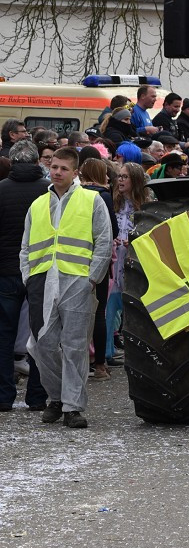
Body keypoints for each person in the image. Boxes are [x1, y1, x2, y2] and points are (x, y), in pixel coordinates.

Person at [20, 146, 113, 428]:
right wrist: (27, 275)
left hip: (78, 281)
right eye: (54, 166)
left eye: (63, 168)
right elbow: (26, 246)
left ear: (75, 172)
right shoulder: (37, 205)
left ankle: (72, 407)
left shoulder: (92, 200)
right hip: (42, 281)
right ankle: (58, 396)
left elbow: (104, 240)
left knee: (74, 346)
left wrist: (93, 278)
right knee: (41, 344)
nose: (57, 172)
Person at [0, 141, 50, 413]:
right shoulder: (49, 192)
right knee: (40, 334)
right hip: (39, 271)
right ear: (35, 162)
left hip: (6, 272)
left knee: (3, 336)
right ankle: (38, 397)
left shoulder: (1, 191)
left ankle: (3, 396)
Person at [106, 162, 153, 366]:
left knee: (135, 308)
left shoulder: (147, 206)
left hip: (136, 261)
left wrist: (134, 239)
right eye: (119, 176)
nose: (120, 180)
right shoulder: (111, 202)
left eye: (125, 177)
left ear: (135, 180)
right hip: (114, 260)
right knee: (110, 307)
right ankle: (106, 351)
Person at [79, 158, 118, 382]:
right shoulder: (102, 196)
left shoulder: (74, 194)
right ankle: (100, 364)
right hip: (97, 261)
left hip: (75, 260)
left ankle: (81, 361)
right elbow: (111, 230)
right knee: (99, 312)